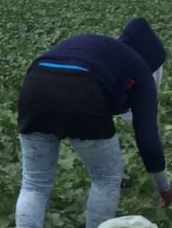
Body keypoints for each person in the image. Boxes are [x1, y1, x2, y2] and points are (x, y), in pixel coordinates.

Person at [15, 18, 172, 228]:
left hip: (34, 85)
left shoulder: (102, 49)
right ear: (152, 59)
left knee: (35, 183)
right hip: (82, 90)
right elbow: (148, 139)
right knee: (106, 178)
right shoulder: (139, 67)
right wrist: (164, 187)